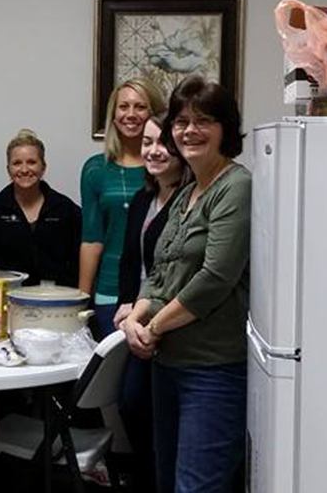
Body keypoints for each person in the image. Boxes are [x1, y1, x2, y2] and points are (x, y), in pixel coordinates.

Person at [119, 76, 250, 493]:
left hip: (212, 370)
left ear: (226, 128)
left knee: (196, 486)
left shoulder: (235, 186)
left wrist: (152, 329)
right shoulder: (187, 190)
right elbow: (160, 270)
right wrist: (134, 321)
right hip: (168, 365)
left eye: (204, 120)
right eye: (181, 121)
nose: (189, 130)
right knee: (166, 479)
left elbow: (214, 279)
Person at [113, 112, 191, 493]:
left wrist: (148, 316)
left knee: (155, 412)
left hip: (171, 322)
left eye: (162, 143)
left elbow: (181, 272)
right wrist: (127, 303)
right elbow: (131, 260)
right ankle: (148, 477)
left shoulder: (188, 200)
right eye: (147, 142)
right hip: (139, 318)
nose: (154, 151)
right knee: (132, 404)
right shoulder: (145, 197)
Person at [79, 77, 166, 339]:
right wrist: (81, 302)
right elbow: (92, 239)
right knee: (114, 377)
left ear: (154, 113)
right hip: (109, 293)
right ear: (113, 114)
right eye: (123, 106)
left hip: (157, 295)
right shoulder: (96, 168)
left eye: (140, 107)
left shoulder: (167, 165)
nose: (130, 114)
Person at [0, 129, 82, 286]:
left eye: (32, 162)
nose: (24, 170)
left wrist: (71, 284)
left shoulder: (65, 209)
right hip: (7, 297)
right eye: (17, 163)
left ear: (43, 167)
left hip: (55, 298)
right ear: (8, 169)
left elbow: (83, 252)